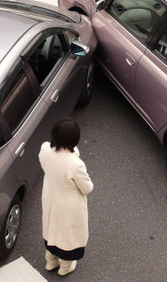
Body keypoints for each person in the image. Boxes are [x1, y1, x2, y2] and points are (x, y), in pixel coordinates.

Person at [39, 118, 94, 276]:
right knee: (67, 235)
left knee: (51, 228)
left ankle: (50, 261)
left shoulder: (44, 149)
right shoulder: (76, 164)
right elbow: (87, 188)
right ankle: (65, 267)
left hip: (50, 197)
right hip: (69, 205)